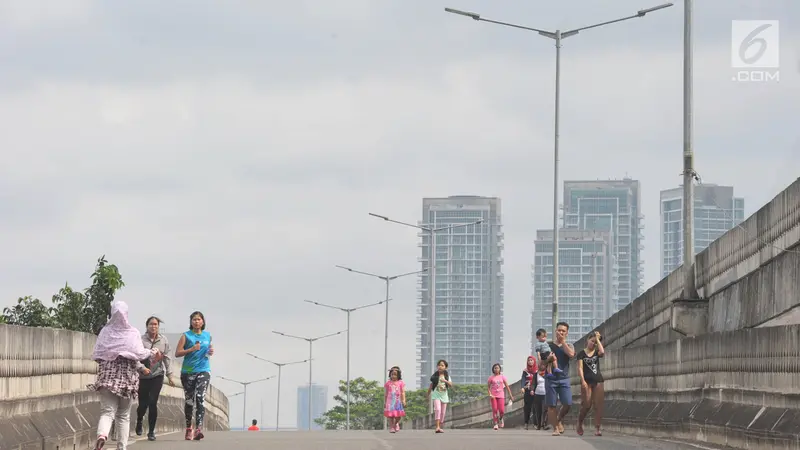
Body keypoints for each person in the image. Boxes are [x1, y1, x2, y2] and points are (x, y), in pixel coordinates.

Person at [87, 300, 160, 450]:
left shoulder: (105, 332)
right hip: (127, 379)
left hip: (107, 378)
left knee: (107, 412)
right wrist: (153, 352)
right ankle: (122, 447)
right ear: (126, 314)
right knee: (123, 416)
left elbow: (97, 355)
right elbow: (140, 354)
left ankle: (102, 435)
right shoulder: (132, 333)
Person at [175, 311, 214, 441]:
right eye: (194, 319)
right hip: (188, 372)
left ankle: (199, 429)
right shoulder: (186, 336)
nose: (196, 322)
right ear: (191, 322)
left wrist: (211, 351)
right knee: (189, 401)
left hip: (204, 370)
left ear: (203, 322)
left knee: (200, 397)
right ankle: (188, 428)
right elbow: (177, 353)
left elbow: (208, 350)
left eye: (199, 319)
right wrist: (191, 349)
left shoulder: (207, 335)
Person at [135, 316, 175, 441]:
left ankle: (151, 431)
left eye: (156, 324)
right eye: (151, 324)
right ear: (147, 326)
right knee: (143, 404)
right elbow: (135, 357)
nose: (154, 326)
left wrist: (170, 375)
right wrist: (142, 368)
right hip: (143, 376)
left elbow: (167, 358)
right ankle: (140, 419)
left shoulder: (163, 340)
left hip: (157, 375)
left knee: (153, 402)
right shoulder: (140, 340)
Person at [545, 321, 575, 436]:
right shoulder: (548, 346)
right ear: (555, 331)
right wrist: (548, 359)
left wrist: (563, 343)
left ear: (566, 333)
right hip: (551, 379)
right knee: (551, 405)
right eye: (559, 330)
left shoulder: (569, 345)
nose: (561, 332)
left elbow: (571, 355)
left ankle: (559, 418)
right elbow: (541, 364)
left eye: (563, 331)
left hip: (564, 378)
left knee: (567, 403)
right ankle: (556, 428)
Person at [577, 331, 606, 436]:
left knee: (598, 405)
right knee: (586, 405)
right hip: (587, 381)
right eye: (592, 341)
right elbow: (580, 368)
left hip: (598, 380)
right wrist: (583, 381)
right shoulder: (581, 354)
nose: (593, 343)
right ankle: (580, 422)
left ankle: (597, 428)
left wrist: (598, 339)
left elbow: (602, 352)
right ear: (587, 340)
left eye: (595, 342)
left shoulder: (597, 352)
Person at [426, 359, 452, 434]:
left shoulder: (447, 376)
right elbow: (431, 386)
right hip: (436, 395)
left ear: (445, 367)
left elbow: (450, 385)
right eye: (439, 365)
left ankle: (440, 426)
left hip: (444, 396)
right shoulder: (434, 376)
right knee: (437, 409)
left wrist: (445, 381)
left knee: (443, 413)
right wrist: (427, 395)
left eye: (442, 365)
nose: (440, 367)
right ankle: (437, 427)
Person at [487, 363, 513, 430]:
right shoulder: (491, 378)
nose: (496, 369)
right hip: (493, 396)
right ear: (493, 369)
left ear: (499, 369)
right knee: (495, 410)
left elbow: (507, 386)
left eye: (497, 368)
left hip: (501, 395)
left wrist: (510, 395)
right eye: (495, 368)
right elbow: (488, 387)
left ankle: (501, 419)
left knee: (502, 411)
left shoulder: (502, 377)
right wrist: (490, 394)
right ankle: (495, 424)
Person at [383, 366, 406, 433]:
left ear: (398, 375)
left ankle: (395, 424)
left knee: (398, 415)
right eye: (392, 374)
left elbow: (403, 392)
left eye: (395, 375)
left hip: (397, 401)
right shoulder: (388, 383)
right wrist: (385, 402)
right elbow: (386, 393)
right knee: (390, 416)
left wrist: (404, 400)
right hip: (389, 401)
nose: (393, 376)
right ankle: (392, 427)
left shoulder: (400, 383)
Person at [520, 356, 538, 430]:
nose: (530, 362)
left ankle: (535, 424)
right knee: (527, 408)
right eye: (529, 360)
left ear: (534, 361)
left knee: (535, 408)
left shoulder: (537, 370)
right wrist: (522, 387)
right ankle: (526, 423)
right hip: (527, 390)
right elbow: (523, 379)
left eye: (531, 360)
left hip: (536, 390)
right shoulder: (525, 371)